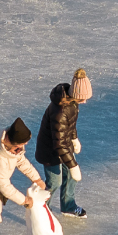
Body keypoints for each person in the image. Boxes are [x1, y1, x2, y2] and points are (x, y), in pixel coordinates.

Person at [36, 70, 92, 218]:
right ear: (76, 94)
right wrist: (73, 165)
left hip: (64, 145)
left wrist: (74, 138)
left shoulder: (72, 102)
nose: (84, 102)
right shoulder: (60, 111)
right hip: (51, 150)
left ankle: (68, 206)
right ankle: (42, 210)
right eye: (83, 99)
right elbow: (58, 143)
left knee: (71, 177)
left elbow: (71, 124)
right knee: (54, 182)